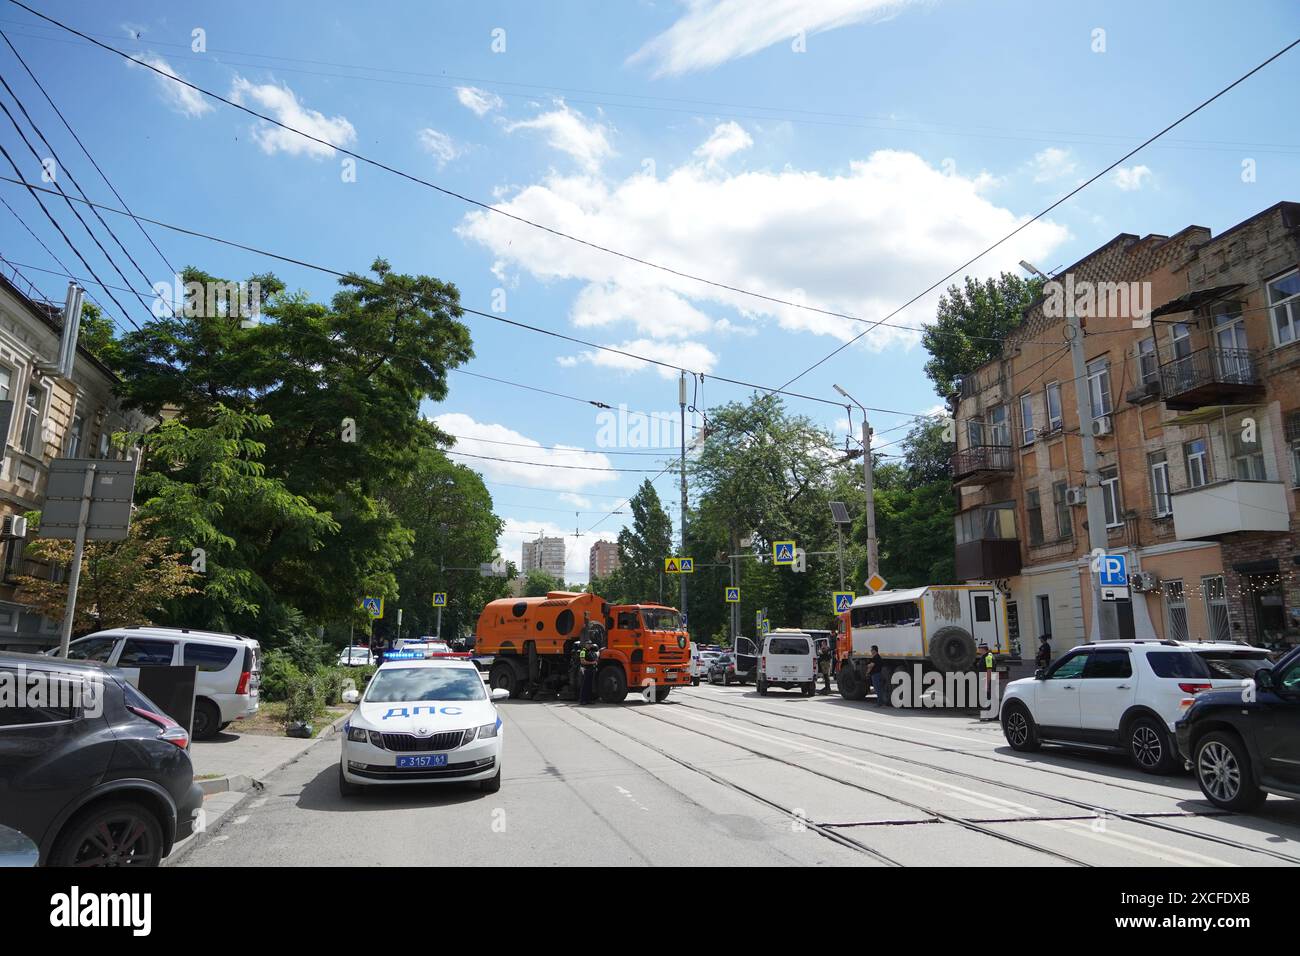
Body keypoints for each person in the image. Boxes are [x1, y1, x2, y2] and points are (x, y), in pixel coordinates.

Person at [578, 639, 600, 705]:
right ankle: (582, 700)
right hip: (586, 670)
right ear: (585, 644)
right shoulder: (583, 651)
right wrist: (592, 662)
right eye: (588, 644)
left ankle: (588, 700)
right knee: (584, 686)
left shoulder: (591, 651)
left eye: (590, 644)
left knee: (590, 686)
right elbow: (582, 661)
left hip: (591, 670)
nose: (589, 645)